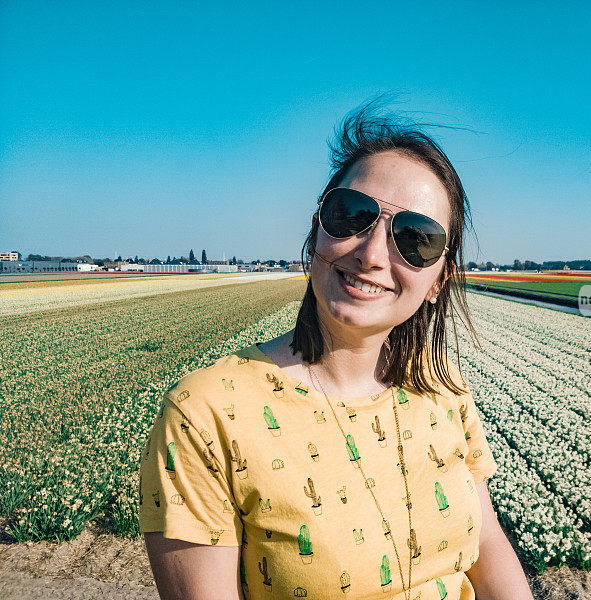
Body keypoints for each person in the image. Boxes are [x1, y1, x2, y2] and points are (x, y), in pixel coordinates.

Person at [139, 98, 534, 600]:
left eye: (416, 238)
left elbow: (489, 549)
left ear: (440, 279)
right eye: (352, 214)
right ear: (316, 228)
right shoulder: (206, 415)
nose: (371, 255)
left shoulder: (441, 385)